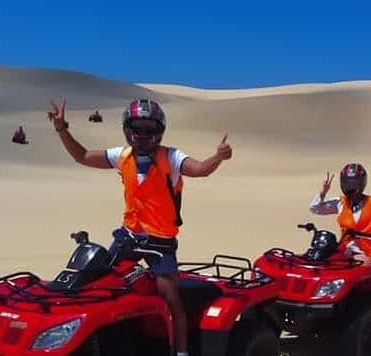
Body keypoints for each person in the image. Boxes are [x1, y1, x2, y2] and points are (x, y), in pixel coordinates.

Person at [47, 98, 232, 356]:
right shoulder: (122, 156)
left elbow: (200, 169)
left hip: (160, 241)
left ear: (159, 131)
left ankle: (180, 352)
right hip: (129, 236)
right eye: (137, 127)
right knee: (98, 281)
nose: (143, 134)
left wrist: (217, 158)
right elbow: (82, 156)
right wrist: (61, 129)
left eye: (149, 128)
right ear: (127, 128)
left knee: (170, 297)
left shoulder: (172, 157)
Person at [309, 163, 371, 267]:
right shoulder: (340, 202)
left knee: (358, 268)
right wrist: (323, 192)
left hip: (368, 252)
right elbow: (315, 208)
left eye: (354, 183)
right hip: (344, 249)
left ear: (361, 183)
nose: (350, 187)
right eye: (348, 183)